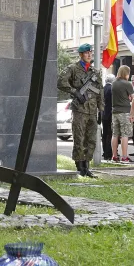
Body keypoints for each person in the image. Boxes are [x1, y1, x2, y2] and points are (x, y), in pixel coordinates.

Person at [57, 43, 104, 178]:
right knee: (79, 138)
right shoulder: (72, 68)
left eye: (90, 53)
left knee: (91, 140)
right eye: (86, 53)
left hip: (92, 110)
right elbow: (61, 82)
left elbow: (100, 91)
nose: (89, 55)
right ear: (81, 55)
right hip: (80, 109)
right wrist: (75, 92)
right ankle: (80, 167)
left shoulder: (95, 72)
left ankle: (87, 166)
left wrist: (101, 109)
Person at [111, 65, 134, 162]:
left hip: (115, 111)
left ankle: (114, 156)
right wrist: (129, 98)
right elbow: (133, 98)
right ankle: (124, 156)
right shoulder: (127, 84)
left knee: (115, 134)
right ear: (126, 73)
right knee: (125, 134)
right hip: (125, 111)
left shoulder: (114, 83)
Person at [101, 74, 114, 160]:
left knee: (104, 134)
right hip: (110, 114)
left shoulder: (102, 88)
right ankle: (108, 153)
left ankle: (105, 151)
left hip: (103, 114)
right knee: (110, 134)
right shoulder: (111, 89)